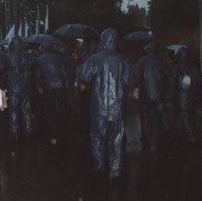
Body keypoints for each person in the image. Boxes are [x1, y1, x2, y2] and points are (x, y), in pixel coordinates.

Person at [79, 28, 133, 183]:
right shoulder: (124, 60)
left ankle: (100, 167)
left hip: (98, 109)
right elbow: (131, 80)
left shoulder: (95, 59)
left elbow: (84, 77)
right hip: (117, 109)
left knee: (97, 139)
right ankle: (115, 172)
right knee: (116, 140)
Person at [134, 42, 170, 151]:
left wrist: (135, 89)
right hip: (159, 94)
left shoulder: (141, 61)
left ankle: (146, 136)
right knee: (162, 114)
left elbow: (137, 77)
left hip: (145, 94)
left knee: (145, 116)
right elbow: (167, 78)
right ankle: (167, 133)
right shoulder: (161, 61)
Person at [1, 35, 33, 141]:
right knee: (26, 111)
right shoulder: (27, 56)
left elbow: (3, 73)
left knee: (13, 111)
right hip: (26, 89)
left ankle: (14, 133)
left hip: (13, 89)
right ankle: (28, 131)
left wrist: (3, 87)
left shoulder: (7, 57)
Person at [168, 46, 202, 146]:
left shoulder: (176, 67)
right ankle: (190, 135)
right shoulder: (195, 67)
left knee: (183, 116)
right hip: (194, 96)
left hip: (182, 96)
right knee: (191, 116)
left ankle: (190, 137)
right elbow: (201, 82)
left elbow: (171, 81)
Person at [36, 42, 66, 144]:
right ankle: (61, 125)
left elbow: (39, 75)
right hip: (60, 85)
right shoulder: (58, 57)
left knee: (49, 107)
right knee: (61, 105)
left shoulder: (40, 59)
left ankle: (52, 127)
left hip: (48, 86)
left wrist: (39, 86)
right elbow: (63, 71)